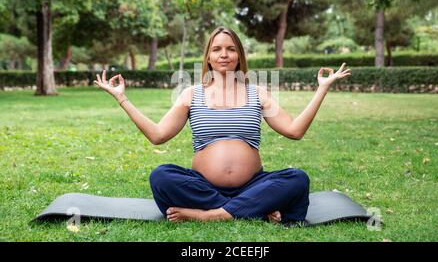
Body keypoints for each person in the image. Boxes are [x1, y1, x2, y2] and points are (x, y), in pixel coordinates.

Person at [94, 26, 351, 225]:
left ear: (239, 55)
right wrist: (122, 98)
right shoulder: (191, 94)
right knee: (161, 176)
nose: (224, 55)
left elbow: (295, 131)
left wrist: (322, 89)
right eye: (217, 49)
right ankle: (252, 209)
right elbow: (158, 136)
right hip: (202, 186)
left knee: (297, 178)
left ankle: (211, 214)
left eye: (230, 49)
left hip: (252, 184)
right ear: (208, 56)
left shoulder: (257, 93)